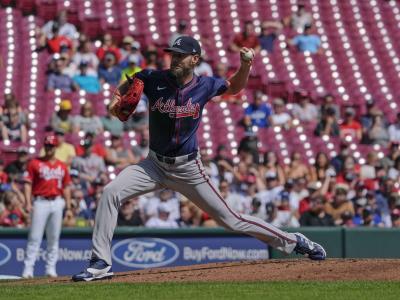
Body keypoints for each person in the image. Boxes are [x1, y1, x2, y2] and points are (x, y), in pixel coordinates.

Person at [72, 36, 326, 282]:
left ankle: (294, 241)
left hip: (187, 169)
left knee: (232, 220)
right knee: (110, 192)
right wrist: (116, 99)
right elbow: (128, 85)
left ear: (195, 59)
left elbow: (235, 87)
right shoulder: (153, 78)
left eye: (181, 56)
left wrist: (246, 65)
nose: (174, 59)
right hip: (153, 165)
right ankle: (100, 263)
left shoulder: (205, 85)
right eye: (173, 54)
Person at [22, 135, 71, 278]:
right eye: (47, 145)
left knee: (54, 238)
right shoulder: (34, 163)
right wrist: (28, 202)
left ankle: (50, 269)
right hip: (40, 201)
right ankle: (28, 269)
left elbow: (67, 187)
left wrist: (68, 207)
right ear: (44, 146)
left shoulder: (62, 166)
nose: (49, 148)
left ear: (56, 147)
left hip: (57, 201)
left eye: (52, 145)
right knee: (35, 237)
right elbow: (27, 184)